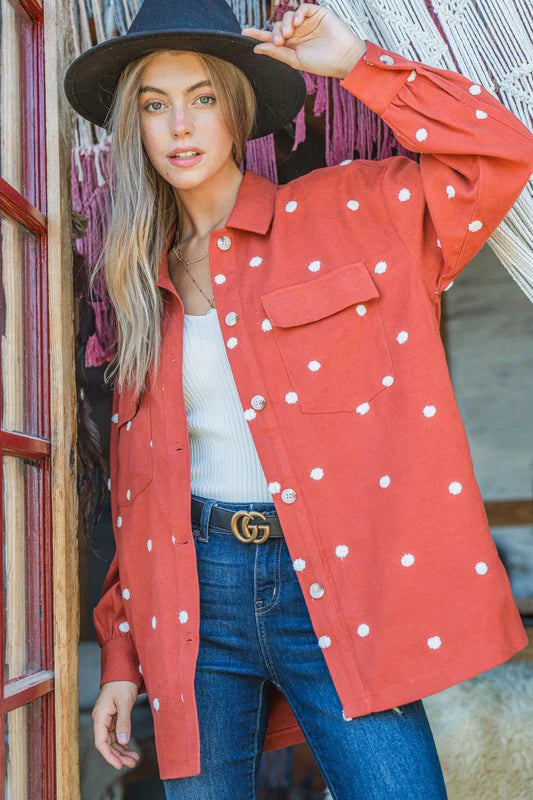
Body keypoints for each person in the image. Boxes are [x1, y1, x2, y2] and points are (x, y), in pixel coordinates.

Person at [64, 0, 533, 797]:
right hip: (194, 602)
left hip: (333, 582)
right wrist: (119, 660)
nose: (179, 124)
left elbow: (498, 153)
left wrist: (355, 63)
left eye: (203, 97)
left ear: (239, 108)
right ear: (135, 125)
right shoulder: (142, 288)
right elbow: (139, 497)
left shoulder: (348, 215)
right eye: (154, 103)